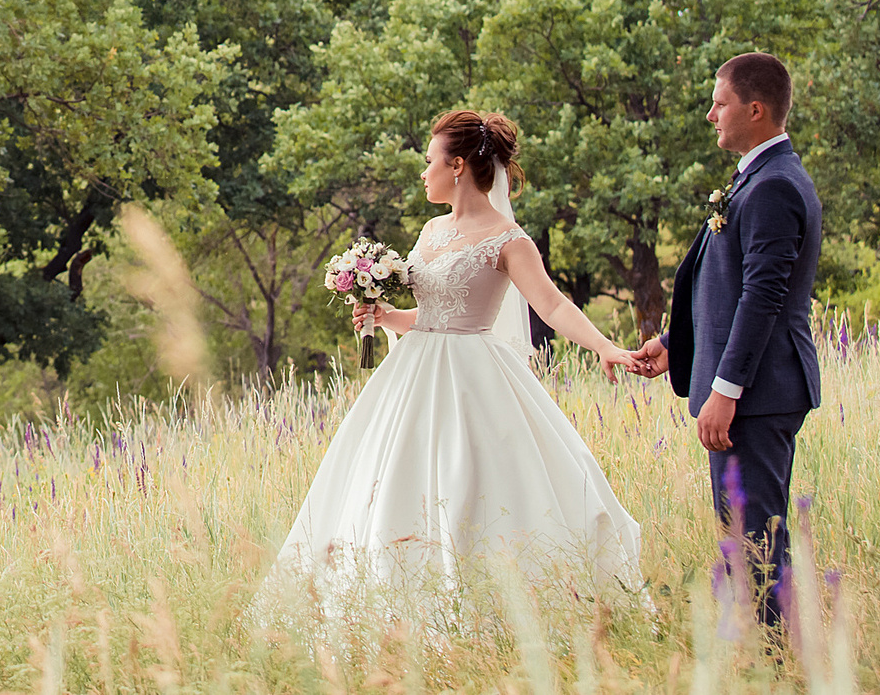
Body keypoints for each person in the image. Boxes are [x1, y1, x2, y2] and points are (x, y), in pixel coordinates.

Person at [261, 109, 642, 618]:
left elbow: (550, 305)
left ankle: (487, 605)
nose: (424, 172)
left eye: (429, 161)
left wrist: (604, 347)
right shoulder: (433, 230)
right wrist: (386, 313)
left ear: (457, 165)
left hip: (473, 378)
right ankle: (389, 603)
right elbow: (433, 312)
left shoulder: (510, 240)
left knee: (471, 484)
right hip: (413, 376)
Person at [628, 52, 824, 634]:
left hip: (759, 392)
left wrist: (725, 390)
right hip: (753, 388)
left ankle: (775, 660)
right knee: (745, 531)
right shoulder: (757, 177)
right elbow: (729, 283)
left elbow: (763, 298)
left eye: (720, 103)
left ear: (755, 109)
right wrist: (673, 343)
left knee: (756, 534)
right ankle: (765, 652)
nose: (710, 114)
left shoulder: (773, 187)